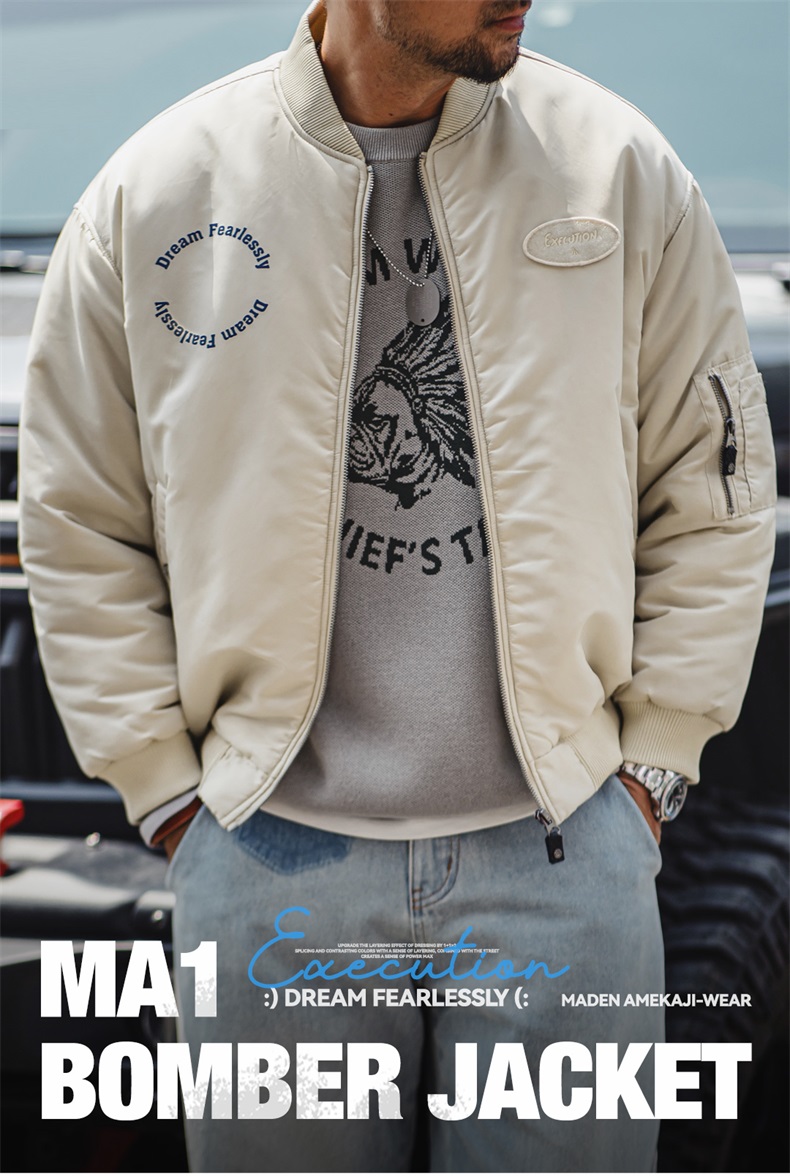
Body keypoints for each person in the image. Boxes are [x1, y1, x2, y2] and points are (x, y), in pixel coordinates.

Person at [19, 0, 776, 1171]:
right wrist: (165, 789)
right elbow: (80, 514)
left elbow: (715, 485)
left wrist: (648, 772)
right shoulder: (156, 194)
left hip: (564, 857)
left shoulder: (619, 172)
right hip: (268, 860)